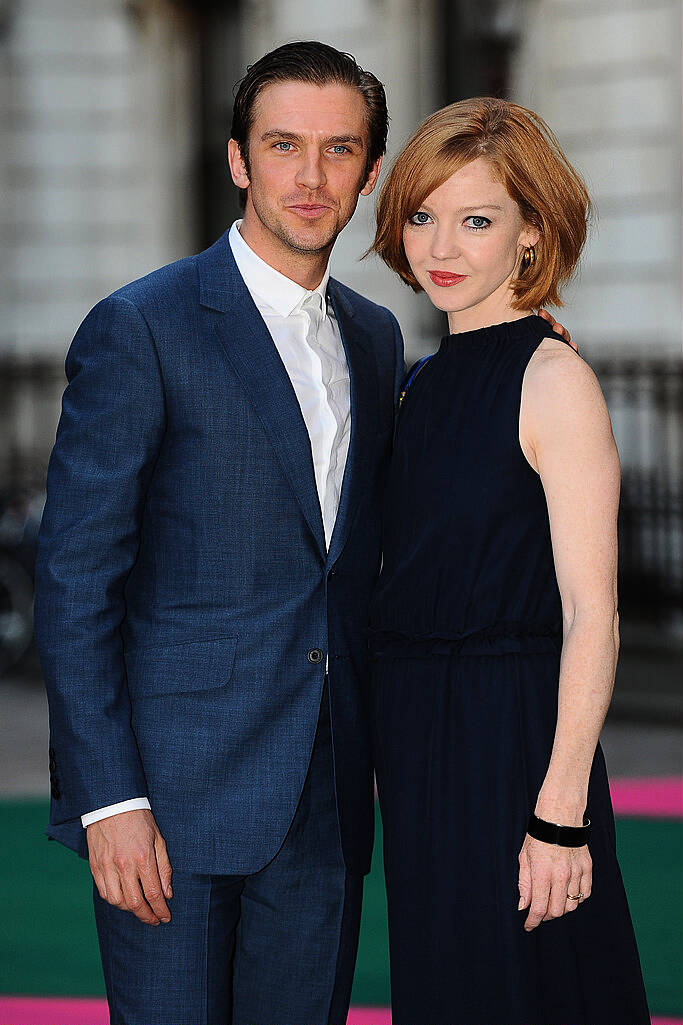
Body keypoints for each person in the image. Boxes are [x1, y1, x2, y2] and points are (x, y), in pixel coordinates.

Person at [34, 41, 403, 1025]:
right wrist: (110, 801)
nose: (310, 176)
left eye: (338, 150)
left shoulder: (375, 339)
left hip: (324, 794)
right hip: (173, 799)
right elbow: (74, 579)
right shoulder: (143, 326)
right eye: (283, 145)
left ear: (369, 172)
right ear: (238, 159)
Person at [368, 97, 650, 1024]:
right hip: (419, 739)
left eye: (476, 219)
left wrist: (558, 810)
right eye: (422, 215)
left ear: (531, 233)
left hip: (512, 737)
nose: (440, 245)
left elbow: (591, 611)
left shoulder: (552, 377)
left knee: (530, 989)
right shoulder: (419, 381)